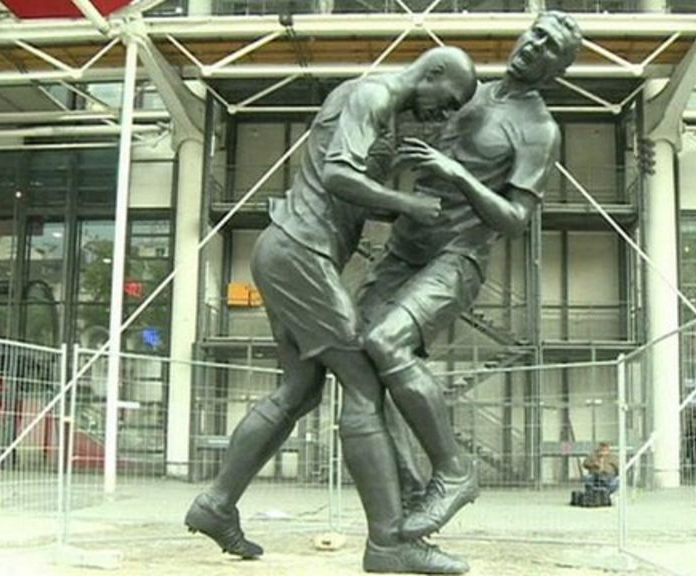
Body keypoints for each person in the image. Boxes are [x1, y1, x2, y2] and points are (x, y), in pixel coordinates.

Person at [184, 46, 478, 574]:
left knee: (299, 389)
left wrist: (395, 199)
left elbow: (345, 193)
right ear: (432, 74)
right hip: (300, 254)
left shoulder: (381, 114)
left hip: (287, 251)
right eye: (449, 99)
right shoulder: (372, 94)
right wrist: (409, 204)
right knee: (365, 383)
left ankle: (216, 504)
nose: (445, 113)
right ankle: (389, 543)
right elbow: (340, 175)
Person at [356, 11, 583, 538]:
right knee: (357, 361)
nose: (533, 47)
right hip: (404, 247)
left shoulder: (539, 129)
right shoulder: (472, 90)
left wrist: (457, 174)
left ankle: (455, 472)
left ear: (557, 69)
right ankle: (412, 488)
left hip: (457, 258)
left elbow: (515, 219)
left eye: (549, 47)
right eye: (535, 35)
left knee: (387, 343)